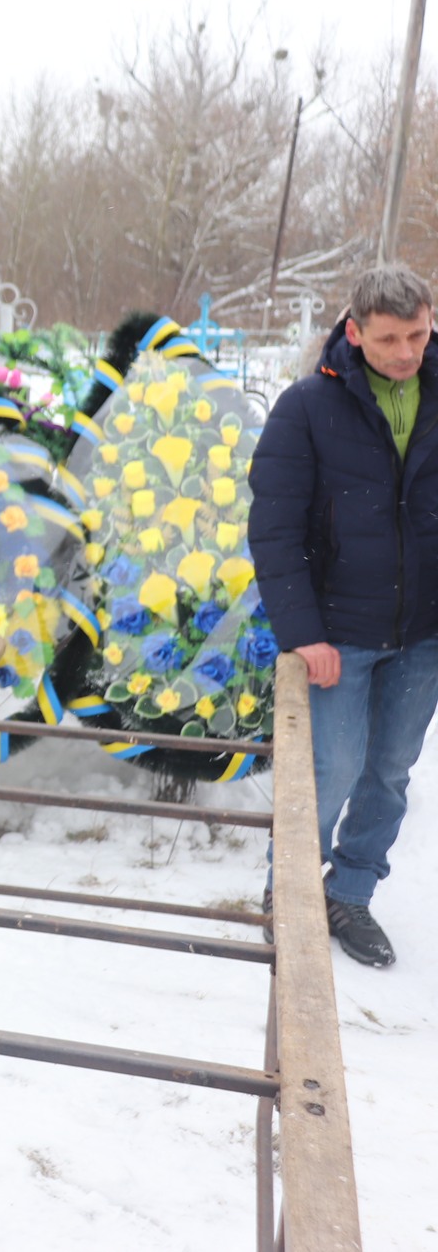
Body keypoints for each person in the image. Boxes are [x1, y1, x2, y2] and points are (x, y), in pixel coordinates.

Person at [250, 262, 438, 969]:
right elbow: (273, 528)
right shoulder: (306, 408)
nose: (406, 353)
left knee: (390, 771)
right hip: (338, 633)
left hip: (424, 632)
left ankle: (352, 891)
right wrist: (303, 632)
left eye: (417, 334)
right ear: (355, 332)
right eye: (388, 338)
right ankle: (290, 890)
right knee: (328, 770)